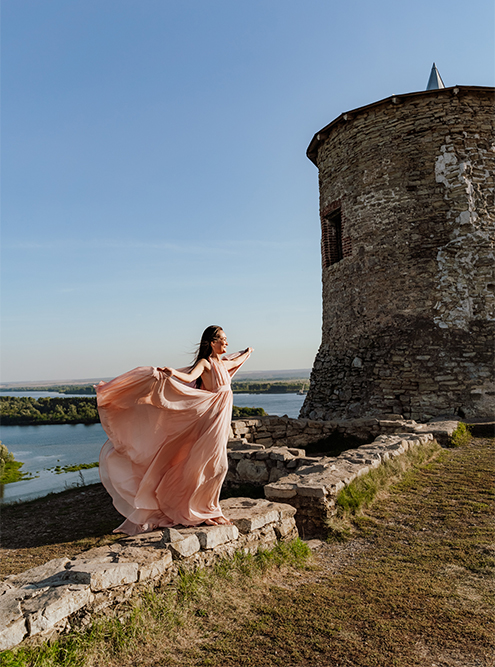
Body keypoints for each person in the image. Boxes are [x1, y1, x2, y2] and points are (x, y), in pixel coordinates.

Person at [96, 326, 253, 535]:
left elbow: (237, 361)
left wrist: (248, 352)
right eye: (223, 339)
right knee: (217, 465)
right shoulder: (205, 363)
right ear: (212, 342)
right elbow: (189, 378)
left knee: (216, 465)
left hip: (221, 419)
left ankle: (208, 508)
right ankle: (202, 509)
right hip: (210, 417)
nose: (226, 343)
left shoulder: (224, 363)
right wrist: (172, 373)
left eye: (226, 339)